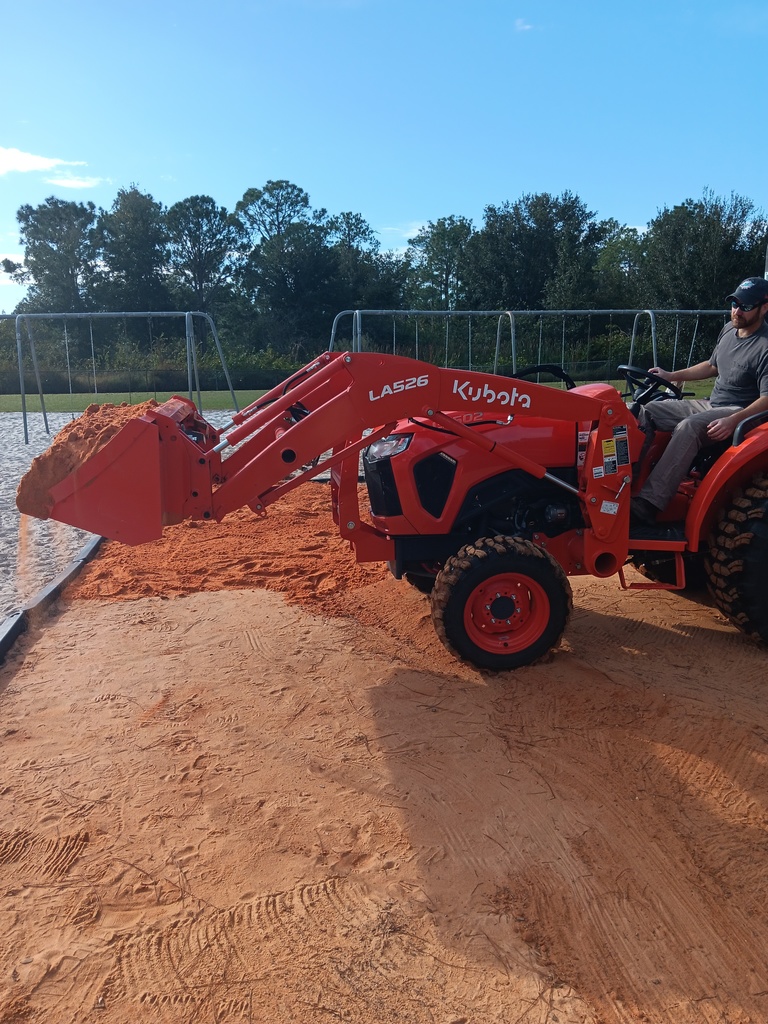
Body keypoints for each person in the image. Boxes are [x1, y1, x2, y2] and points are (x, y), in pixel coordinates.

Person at [630, 276, 768, 525]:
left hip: (739, 411)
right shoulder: (729, 330)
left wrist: (732, 420)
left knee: (690, 427)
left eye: (746, 306)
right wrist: (672, 375)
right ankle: (626, 484)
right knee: (645, 411)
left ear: (764, 307)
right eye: (735, 304)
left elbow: (767, 399)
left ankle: (649, 503)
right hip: (711, 403)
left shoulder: (765, 346)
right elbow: (712, 366)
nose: (737, 311)